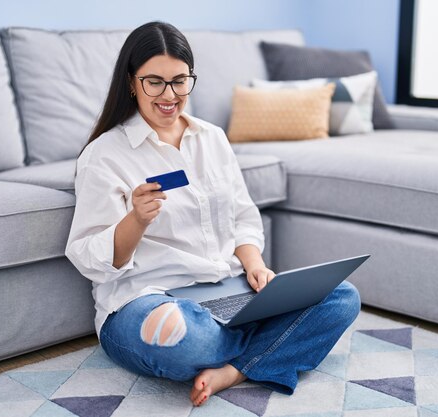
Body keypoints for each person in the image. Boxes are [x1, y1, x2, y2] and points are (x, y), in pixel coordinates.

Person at [65, 21, 361, 407]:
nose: (169, 95)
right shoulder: (103, 155)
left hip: (229, 290)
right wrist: (135, 219)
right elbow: (91, 258)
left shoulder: (212, 138)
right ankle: (264, 346)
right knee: (182, 338)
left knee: (342, 297)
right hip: (150, 300)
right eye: (154, 82)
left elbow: (242, 216)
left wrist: (254, 265)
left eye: (180, 81)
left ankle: (234, 369)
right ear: (131, 82)